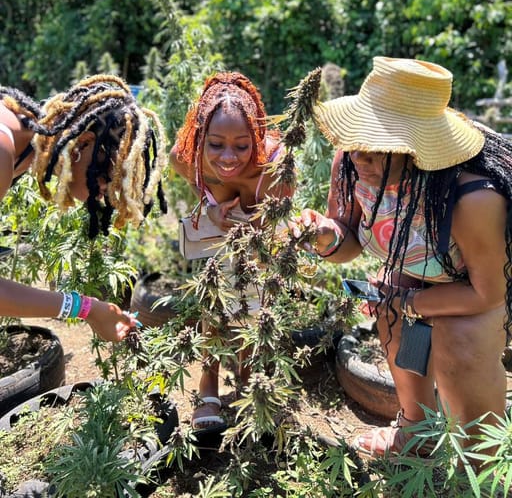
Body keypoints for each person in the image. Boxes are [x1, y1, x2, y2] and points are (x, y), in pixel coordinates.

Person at [294, 56, 511, 458]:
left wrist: (410, 300)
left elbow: (488, 294)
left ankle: (481, 456)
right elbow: (350, 241)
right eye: (355, 143)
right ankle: (417, 427)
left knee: (458, 347)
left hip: (488, 283)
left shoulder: (472, 196)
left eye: (376, 148)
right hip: (425, 270)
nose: (360, 157)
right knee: (403, 324)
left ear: (415, 150)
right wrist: (325, 234)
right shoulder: (354, 163)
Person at [0, 74, 168, 342]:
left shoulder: (18, 143)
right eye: (109, 175)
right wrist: (87, 309)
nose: (108, 192)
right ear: (84, 143)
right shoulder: (2, 149)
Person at [171, 71, 294, 434]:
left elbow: (277, 220)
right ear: (200, 138)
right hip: (220, 242)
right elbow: (196, 184)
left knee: (256, 307)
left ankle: (249, 375)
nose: (228, 157)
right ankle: (207, 384)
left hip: (262, 244)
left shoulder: (276, 164)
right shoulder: (186, 156)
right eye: (216, 145)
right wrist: (208, 207)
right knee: (214, 299)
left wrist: (252, 229)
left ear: (256, 137)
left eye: (242, 146)